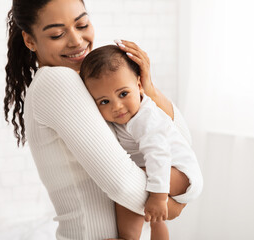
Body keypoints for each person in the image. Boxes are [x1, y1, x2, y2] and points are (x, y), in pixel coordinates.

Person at [4, 0, 202, 239]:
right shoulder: (57, 81)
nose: (77, 40)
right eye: (57, 34)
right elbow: (123, 184)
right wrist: (174, 206)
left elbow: (178, 140)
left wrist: (148, 90)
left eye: (82, 24)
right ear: (30, 40)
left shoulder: (94, 84)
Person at [79, 45, 203, 240]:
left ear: (138, 86)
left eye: (123, 94)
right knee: (151, 209)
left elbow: (159, 154)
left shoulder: (145, 118)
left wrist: (159, 196)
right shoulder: (124, 116)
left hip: (180, 171)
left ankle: (128, 237)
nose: (117, 107)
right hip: (165, 170)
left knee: (131, 181)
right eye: (104, 102)